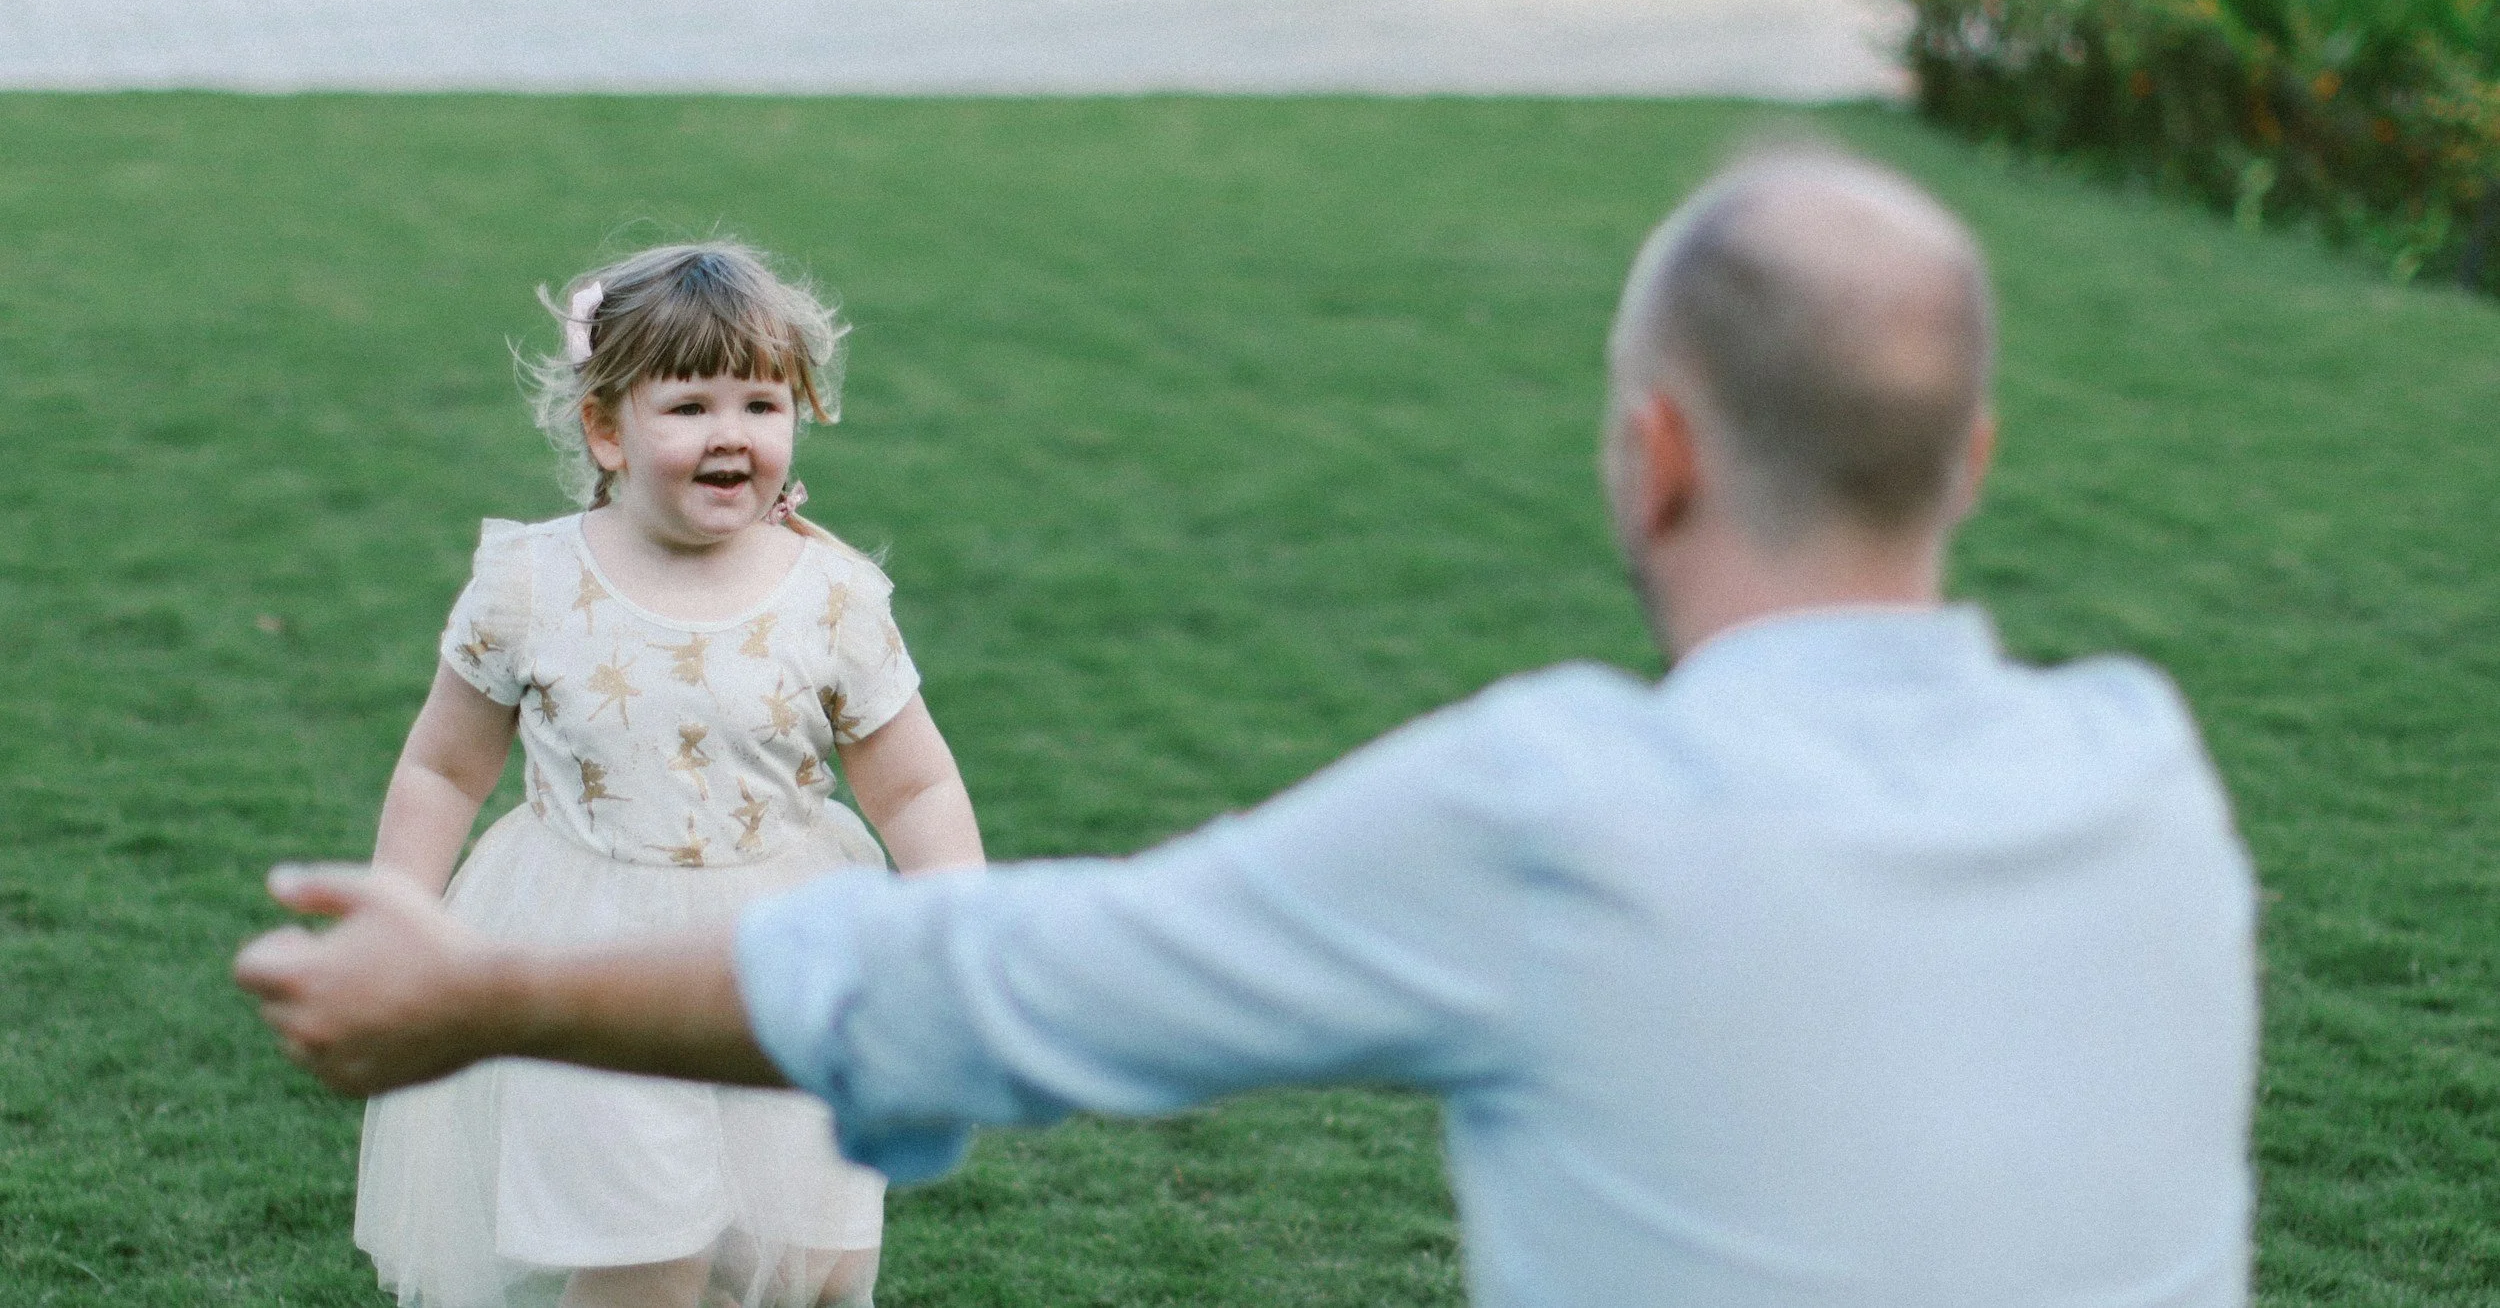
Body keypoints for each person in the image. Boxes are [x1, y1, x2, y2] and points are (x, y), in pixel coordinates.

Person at [241, 151, 2259, 1308]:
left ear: (1648, 456)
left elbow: (1018, 983)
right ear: (1970, 456)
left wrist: (480, 987)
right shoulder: (2154, 779)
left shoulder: (1551, 803)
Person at [344, 242, 985, 1308]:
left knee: (810, 1254)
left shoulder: (830, 597)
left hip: (788, 939)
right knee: (642, 1253)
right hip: (586, 952)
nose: (731, 432)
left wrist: (955, 923)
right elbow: (443, 766)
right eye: (688, 404)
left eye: (761, 402)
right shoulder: (531, 586)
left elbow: (914, 784)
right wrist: (396, 913)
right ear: (607, 427)